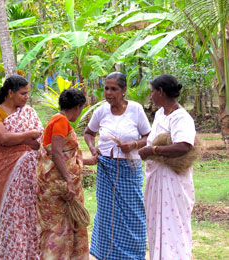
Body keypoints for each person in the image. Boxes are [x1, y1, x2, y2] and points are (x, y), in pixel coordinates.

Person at [84, 72, 151, 260]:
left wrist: (134, 145)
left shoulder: (135, 110)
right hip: (106, 169)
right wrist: (92, 148)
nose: (109, 93)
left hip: (130, 169)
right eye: (106, 88)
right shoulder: (102, 111)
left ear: (123, 91)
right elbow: (89, 133)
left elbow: (148, 137)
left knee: (134, 214)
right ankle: (107, 255)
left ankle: (133, 255)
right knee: (106, 214)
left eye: (114, 89)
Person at [138, 74, 196, 260]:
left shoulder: (180, 117)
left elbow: (184, 145)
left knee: (173, 225)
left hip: (172, 181)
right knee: (157, 225)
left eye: (153, 91)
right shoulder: (161, 114)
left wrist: (153, 150)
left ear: (161, 92)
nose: (151, 96)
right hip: (157, 179)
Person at [37, 88, 97, 260]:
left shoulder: (56, 121)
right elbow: (56, 153)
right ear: (77, 107)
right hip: (59, 187)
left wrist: (86, 161)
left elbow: (64, 156)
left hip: (56, 183)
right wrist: (69, 182)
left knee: (64, 228)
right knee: (57, 230)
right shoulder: (61, 122)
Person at [0, 75, 43, 259]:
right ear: (10, 93)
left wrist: (26, 139)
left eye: (28, 93)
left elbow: (39, 141)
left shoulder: (29, 112)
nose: (27, 97)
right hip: (6, 174)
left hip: (29, 178)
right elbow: (2, 138)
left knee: (31, 216)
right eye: (23, 93)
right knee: (10, 217)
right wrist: (28, 135)